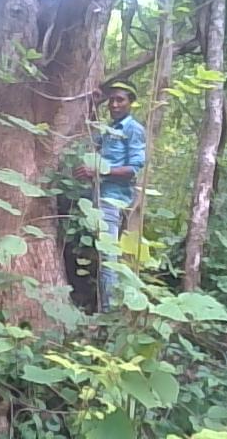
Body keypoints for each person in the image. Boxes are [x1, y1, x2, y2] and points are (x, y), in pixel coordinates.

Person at [74, 81, 146, 312]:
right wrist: (93, 105)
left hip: (113, 199)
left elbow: (133, 168)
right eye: (111, 100)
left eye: (120, 99)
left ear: (131, 102)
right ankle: (92, 301)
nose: (114, 104)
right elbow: (88, 139)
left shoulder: (133, 129)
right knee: (93, 251)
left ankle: (108, 312)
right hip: (97, 195)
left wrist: (99, 171)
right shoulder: (109, 129)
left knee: (108, 256)